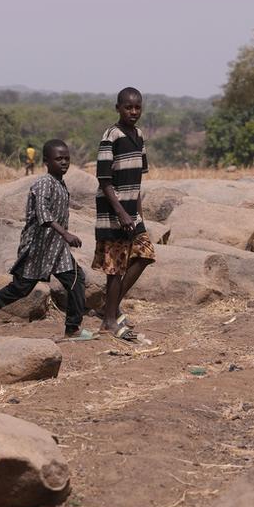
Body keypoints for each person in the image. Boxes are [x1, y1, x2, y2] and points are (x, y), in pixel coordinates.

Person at [0, 139, 94, 341]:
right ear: (46, 161)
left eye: (67, 158)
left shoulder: (60, 184)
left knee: (76, 279)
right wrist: (65, 233)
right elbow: (42, 213)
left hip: (56, 249)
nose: (64, 162)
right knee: (19, 290)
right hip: (37, 249)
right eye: (59, 159)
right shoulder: (43, 184)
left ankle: (72, 328)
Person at [93, 87, 153, 342]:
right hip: (113, 212)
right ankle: (108, 319)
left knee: (146, 254)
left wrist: (139, 217)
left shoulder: (138, 135)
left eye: (137, 107)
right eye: (128, 107)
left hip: (131, 213)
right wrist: (121, 214)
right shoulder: (111, 136)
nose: (133, 112)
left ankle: (111, 308)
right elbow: (104, 180)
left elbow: (137, 182)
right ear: (117, 107)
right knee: (115, 268)